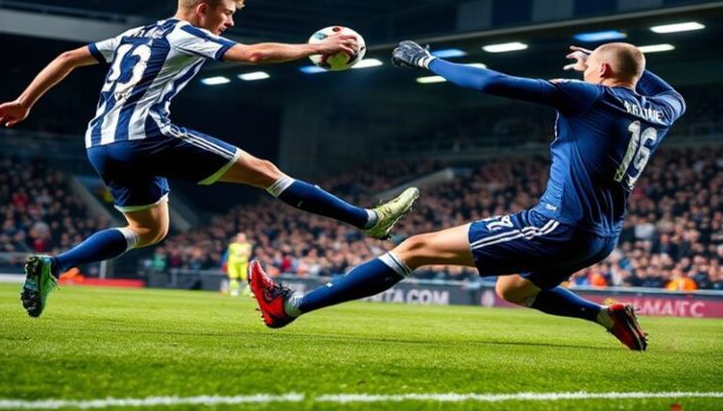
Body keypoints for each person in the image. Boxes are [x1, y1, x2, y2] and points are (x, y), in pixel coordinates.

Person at [0, 0, 419, 318]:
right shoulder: (183, 34)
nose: (229, 23)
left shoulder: (135, 35)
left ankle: (54, 265)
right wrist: (314, 47)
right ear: (202, 9)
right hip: (144, 133)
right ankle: (368, 220)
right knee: (264, 170)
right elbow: (252, 56)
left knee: (150, 230)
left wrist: (25, 102)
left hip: (99, 142)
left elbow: (65, 59)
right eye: (226, 14)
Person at [249, 41, 685, 351]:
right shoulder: (663, 109)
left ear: (604, 73)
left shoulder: (588, 95)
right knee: (514, 289)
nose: (585, 71)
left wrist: (427, 60)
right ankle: (607, 317)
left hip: (557, 225)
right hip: (601, 238)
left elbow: (493, 82)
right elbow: (659, 87)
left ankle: (288, 306)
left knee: (414, 248)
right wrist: (614, 62)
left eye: (594, 68)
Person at [226, 232, 253, 296]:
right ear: (237, 238)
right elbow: (229, 255)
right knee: (233, 278)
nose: (242, 239)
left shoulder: (248, 246)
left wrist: (245, 253)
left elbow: (249, 255)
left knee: (245, 278)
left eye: (243, 237)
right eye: (240, 237)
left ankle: (245, 290)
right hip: (233, 264)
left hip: (243, 264)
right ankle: (234, 291)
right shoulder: (232, 246)